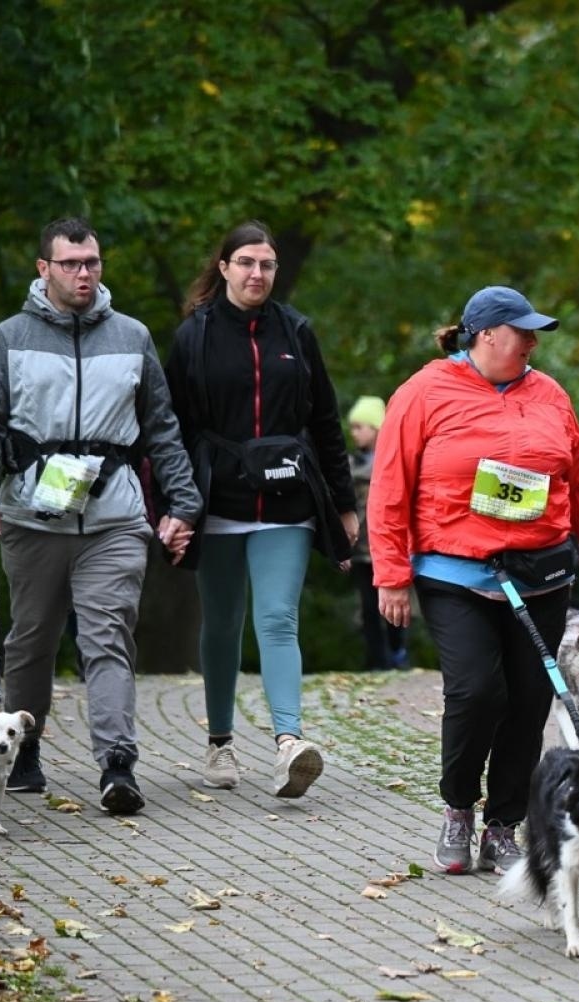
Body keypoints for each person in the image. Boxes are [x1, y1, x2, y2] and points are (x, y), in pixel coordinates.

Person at [368, 285, 579, 875]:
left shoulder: (550, 395)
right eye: (522, 331)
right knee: (475, 692)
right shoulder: (424, 393)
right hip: (455, 572)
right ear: (486, 335)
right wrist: (391, 575)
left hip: (540, 574)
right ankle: (458, 809)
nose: (532, 342)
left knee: (526, 703)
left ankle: (502, 826)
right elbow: (390, 488)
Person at [0, 216, 202, 814]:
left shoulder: (131, 337)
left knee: (108, 637)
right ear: (45, 269)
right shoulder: (8, 338)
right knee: (32, 640)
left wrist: (182, 503)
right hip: (32, 515)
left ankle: (117, 766)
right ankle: (26, 746)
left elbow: (161, 429)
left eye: (92, 261)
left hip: (113, 515)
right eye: (71, 263)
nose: (84, 272)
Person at [165, 220, 358, 800]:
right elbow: (170, 426)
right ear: (223, 267)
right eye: (246, 262)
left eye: (267, 265)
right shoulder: (194, 335)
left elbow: (325, 420)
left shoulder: (295, 331)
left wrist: (345, 506)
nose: (257, 274)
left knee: (277, 618)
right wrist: (176, 506)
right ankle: (220, 742)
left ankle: (288, 743)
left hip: (286, 499)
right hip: (217, 501)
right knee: (222, 623)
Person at [347, 395, 409, 670]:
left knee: (395, 607)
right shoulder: (348, 465)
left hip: (391, 548)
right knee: (369, 608)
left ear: (377, 428)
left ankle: (397, 653)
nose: (355, 432)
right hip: (362, 549)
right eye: (353, 427)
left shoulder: (396, 460)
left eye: (361, 426)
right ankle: (378, 661)